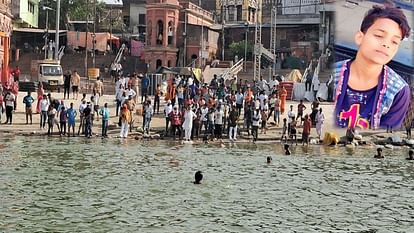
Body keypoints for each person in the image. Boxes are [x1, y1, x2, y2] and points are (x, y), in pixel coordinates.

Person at [334, 5, 411, 130]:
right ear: (360, 37)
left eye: (394, 42)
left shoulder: (398, 91)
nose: (386, 44)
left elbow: (382, 136)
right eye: (379, 36)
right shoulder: (333, 75)